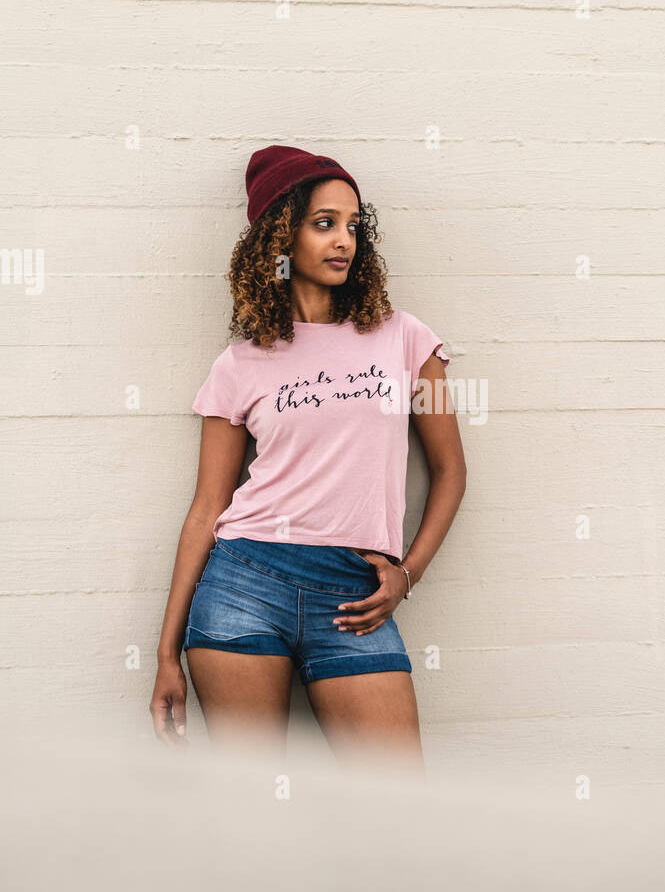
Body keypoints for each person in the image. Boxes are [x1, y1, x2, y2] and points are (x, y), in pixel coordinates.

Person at [149, 145, 466, 767]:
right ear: (280, 235)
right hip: (244, 581)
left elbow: (451, 472)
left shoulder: (405, 339)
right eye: (323, 224)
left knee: (400, 804)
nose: (343, 240)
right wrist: (164, 656)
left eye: (352, 225)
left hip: (355, 593)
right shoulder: (241, 362)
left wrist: (408, 573)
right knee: (255, 811)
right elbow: (207, 506)